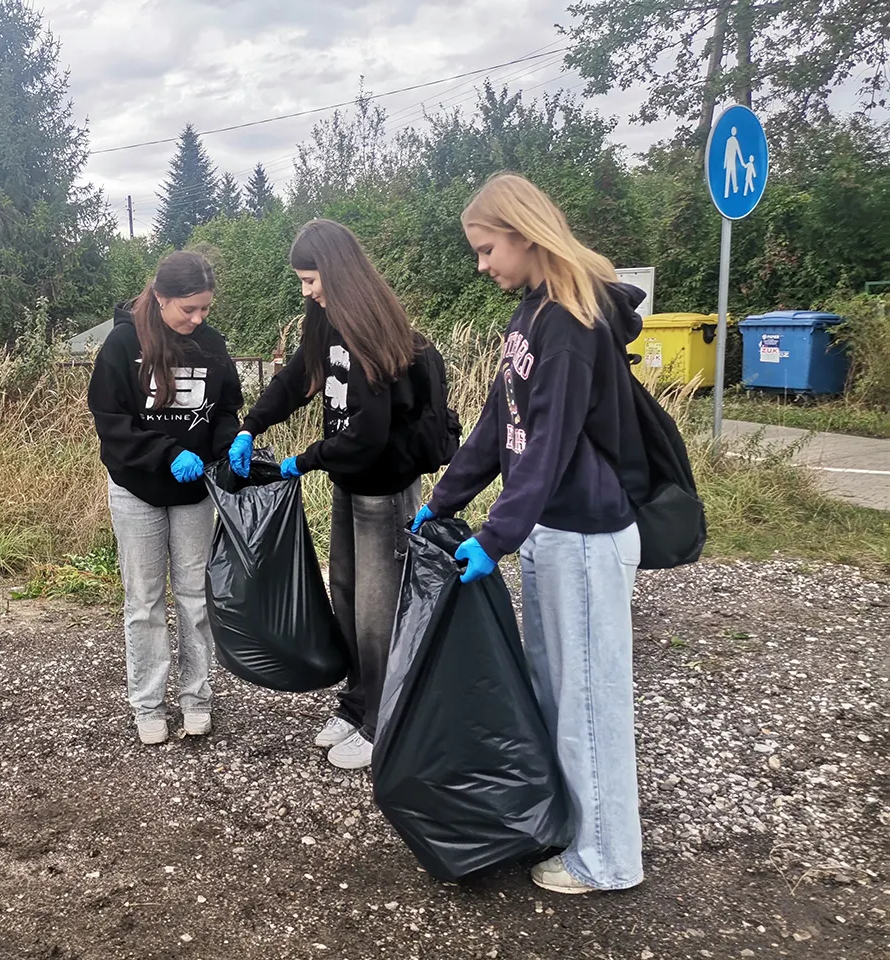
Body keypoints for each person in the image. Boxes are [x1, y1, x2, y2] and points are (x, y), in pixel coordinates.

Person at [411, 173, 646, 895]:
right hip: (550, 527)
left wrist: (496, 534)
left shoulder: (571, 326)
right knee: (551, 690)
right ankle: (571, 830)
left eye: (487, 250)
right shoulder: (530, 315)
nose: (482, 265)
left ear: (523, 233)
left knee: (587, 698)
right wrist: (443, 500)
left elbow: (549, 447)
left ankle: (606, 859)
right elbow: (495, 426)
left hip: (582, 532)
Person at [228, 219, 423, 771]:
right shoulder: (326, 320)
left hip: (384, 488)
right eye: (303, 281)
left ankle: (382, 721)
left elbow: (369, 431)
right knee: (346, 596)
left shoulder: (372, 327)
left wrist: (302, 460)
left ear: (336, 272)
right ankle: (357, 701)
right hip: (349, 480)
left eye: (311, 279)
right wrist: (251, 425)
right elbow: (297, 379)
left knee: (377, 612)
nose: (307, 290)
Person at [87, 251, 244, 745]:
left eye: (204, 310)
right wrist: (166, 452)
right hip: (137, 489)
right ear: (159, 298)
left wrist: (232, 442)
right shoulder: (121, 343)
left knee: (197, 599)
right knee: (145, 602)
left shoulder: (212, 344)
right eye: (188, 310)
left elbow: (225, 410)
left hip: (195, 493)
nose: (197, 320)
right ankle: (148, 705)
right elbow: (111, 424)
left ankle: (196, 698)